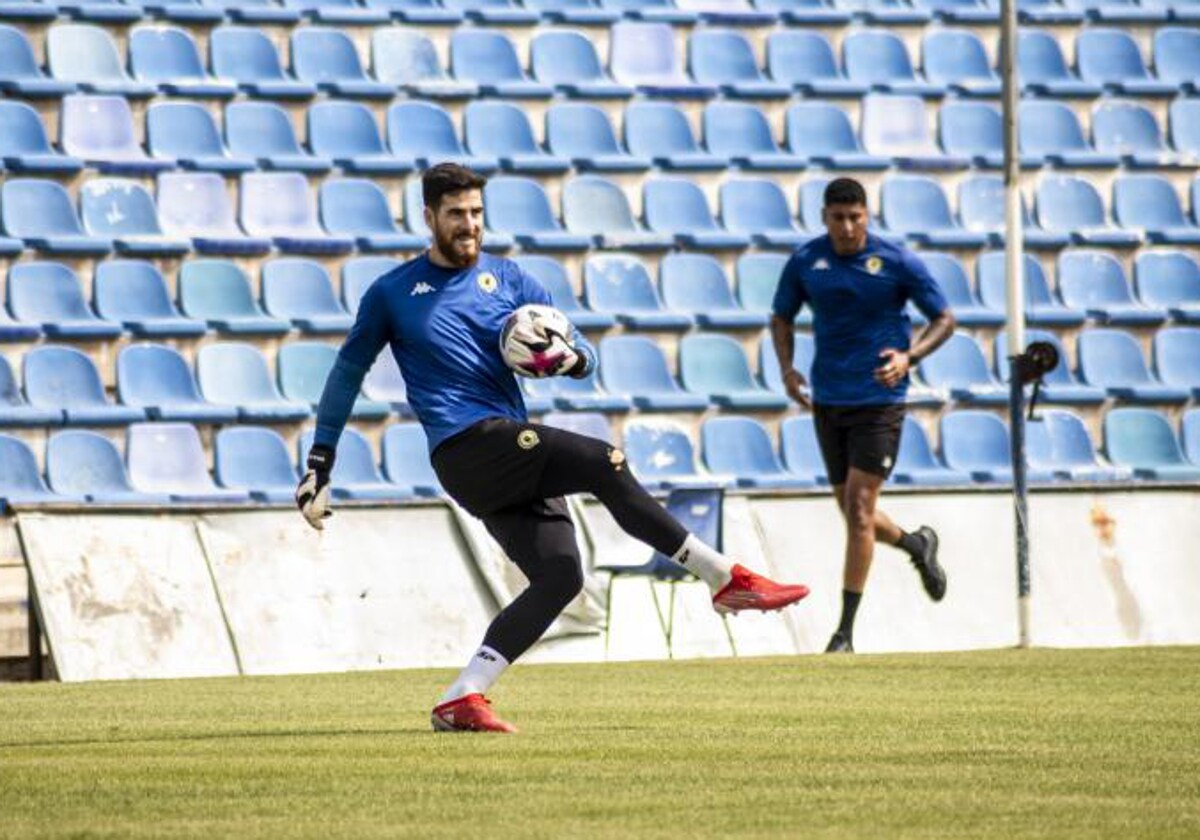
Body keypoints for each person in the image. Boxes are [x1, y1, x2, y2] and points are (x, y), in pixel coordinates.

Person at [296, 163, 811, 733]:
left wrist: (569, 360)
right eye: (455, 214)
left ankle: (463, 696)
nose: (468, 225)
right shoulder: (393, 293)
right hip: (466, 446)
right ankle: (722, 576)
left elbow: (581, 348)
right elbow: (347, 373)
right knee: (602, 461)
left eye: (475, 213)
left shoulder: (511, 281)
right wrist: (320, 462)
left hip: (507, 453)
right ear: (428, 218)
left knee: (562, 575)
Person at [770, 177, 954, 655]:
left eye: (856, 217)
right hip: (829, 398)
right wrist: (787, 369)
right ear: (825, 217)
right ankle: (916, 546)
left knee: (858, 511)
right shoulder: (807, 261)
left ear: (867, 215)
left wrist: (909, 357)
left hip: (880, 400)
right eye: (839, 218)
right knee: (855, 514)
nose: (848, 227)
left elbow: (944, 318)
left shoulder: (895, 262)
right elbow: (782, 316)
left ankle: (844, 632)